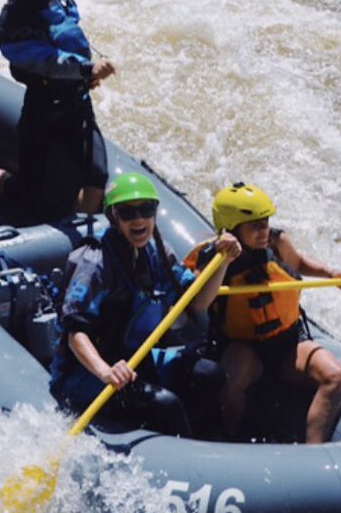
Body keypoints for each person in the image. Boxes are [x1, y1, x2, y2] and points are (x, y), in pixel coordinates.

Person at [49, 173, 241, 438]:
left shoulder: (158, 253)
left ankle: (215, 444)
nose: (138, 219)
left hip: (137, 359)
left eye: (146, 210)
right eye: (128, 212)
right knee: (166, 404)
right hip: (89, 373)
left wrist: (224, 262)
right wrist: (107, 372)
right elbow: (75, 334)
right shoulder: (96, 265)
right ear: (114, 217)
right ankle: (187, 456)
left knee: (210, 374)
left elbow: (198, 303)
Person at [186, 183, 341, 444]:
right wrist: (224, 260)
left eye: (265, 221)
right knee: (232, 381)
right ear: (231, 227)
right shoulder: (211, 258)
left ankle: (315, 451)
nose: (263, 230)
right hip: (242, 347)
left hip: (286, 344)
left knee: (334, 376)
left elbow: (299, 263)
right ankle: (230, 442)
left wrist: (333, 273)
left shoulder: (277, 243)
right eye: (255, 225)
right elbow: (200, 304)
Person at [0, 0, 116, 221]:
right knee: (29, 195)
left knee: (98, 175)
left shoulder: (63, 2)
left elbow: (73, 43)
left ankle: (80, 238)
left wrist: (87, 76)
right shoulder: (14, 19)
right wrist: (85, 70)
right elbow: (45, 62)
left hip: (77, 106)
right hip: (42, 111)